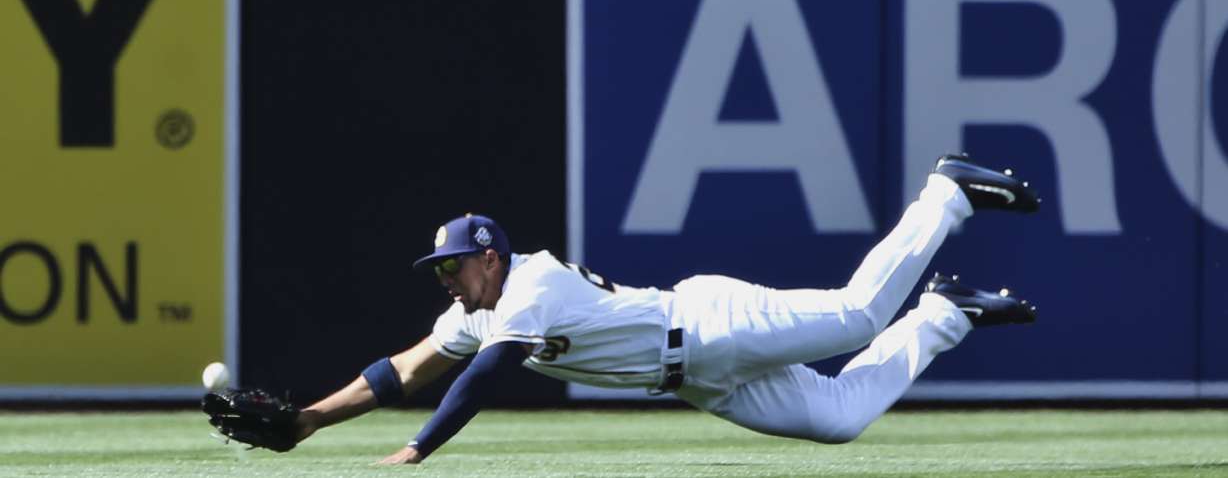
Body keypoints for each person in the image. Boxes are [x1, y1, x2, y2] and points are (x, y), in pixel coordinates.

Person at [290, 153, 1039, 464]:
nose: (445, 279)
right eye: (438, 269)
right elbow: (402, 370)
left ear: (490, 256)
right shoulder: (474, 312)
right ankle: (944, 316)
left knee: (856, 317)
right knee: (840, 419)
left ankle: (945, 193)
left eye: (454, 266)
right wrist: (309, 420)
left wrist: (421, 448)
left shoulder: (531, 283)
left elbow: (484, 377)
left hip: (710, 324)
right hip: (698, 378)